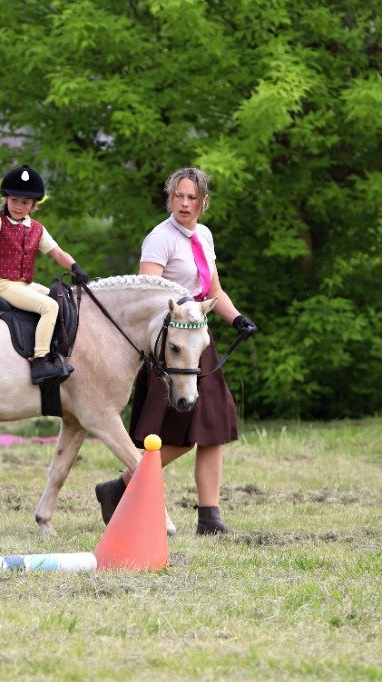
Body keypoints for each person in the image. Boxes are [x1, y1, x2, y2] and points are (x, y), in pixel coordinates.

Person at [95, 167, 258, 535]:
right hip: (168, 348)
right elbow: (149, 292)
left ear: (203, 202)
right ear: (170, 198)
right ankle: (121, 486)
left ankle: (209, 516)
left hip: (198, 342)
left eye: (192, 197)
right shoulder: (160, 239)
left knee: (212, 428)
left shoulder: (204, 235)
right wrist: (187, 308)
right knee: (176, 439)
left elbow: (213, 289)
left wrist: (236, 319)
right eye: (178, 196)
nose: (184, 203)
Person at [0, 164, 90, 385]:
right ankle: (40, 361)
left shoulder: (37, 228)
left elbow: (57, 252)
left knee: (64, 299)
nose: (18, 206)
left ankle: (58, 349)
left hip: (25, 285)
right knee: (49, 306)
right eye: (14, 200)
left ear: (33, 205)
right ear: (6, 199)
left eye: (25, 202)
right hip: (4, 285)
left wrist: (75, 267)